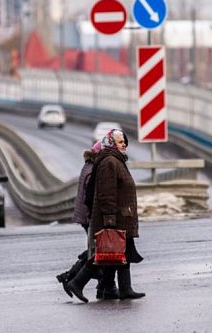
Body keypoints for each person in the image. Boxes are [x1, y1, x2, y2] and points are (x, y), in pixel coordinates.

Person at [67, 129, 145, 303]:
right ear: (111, 143)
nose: (123, 144)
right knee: (105, 255)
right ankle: (77, 283)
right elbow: (106, 193)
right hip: (114, 218)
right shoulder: (109, 162)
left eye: (124, 141)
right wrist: (109, 219)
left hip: (121, 216)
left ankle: (119, 288)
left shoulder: (115, 160)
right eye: (119, 142)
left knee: (118, 254)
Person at [56, 141, 119, 300]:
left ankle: (101, 286)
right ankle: (73, 279)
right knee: (100, 251)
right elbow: (90, 198)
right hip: (90, 217)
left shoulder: (89, 166)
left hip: (87, 216)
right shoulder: (93, 169)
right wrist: (95, 218)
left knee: (100, 250)